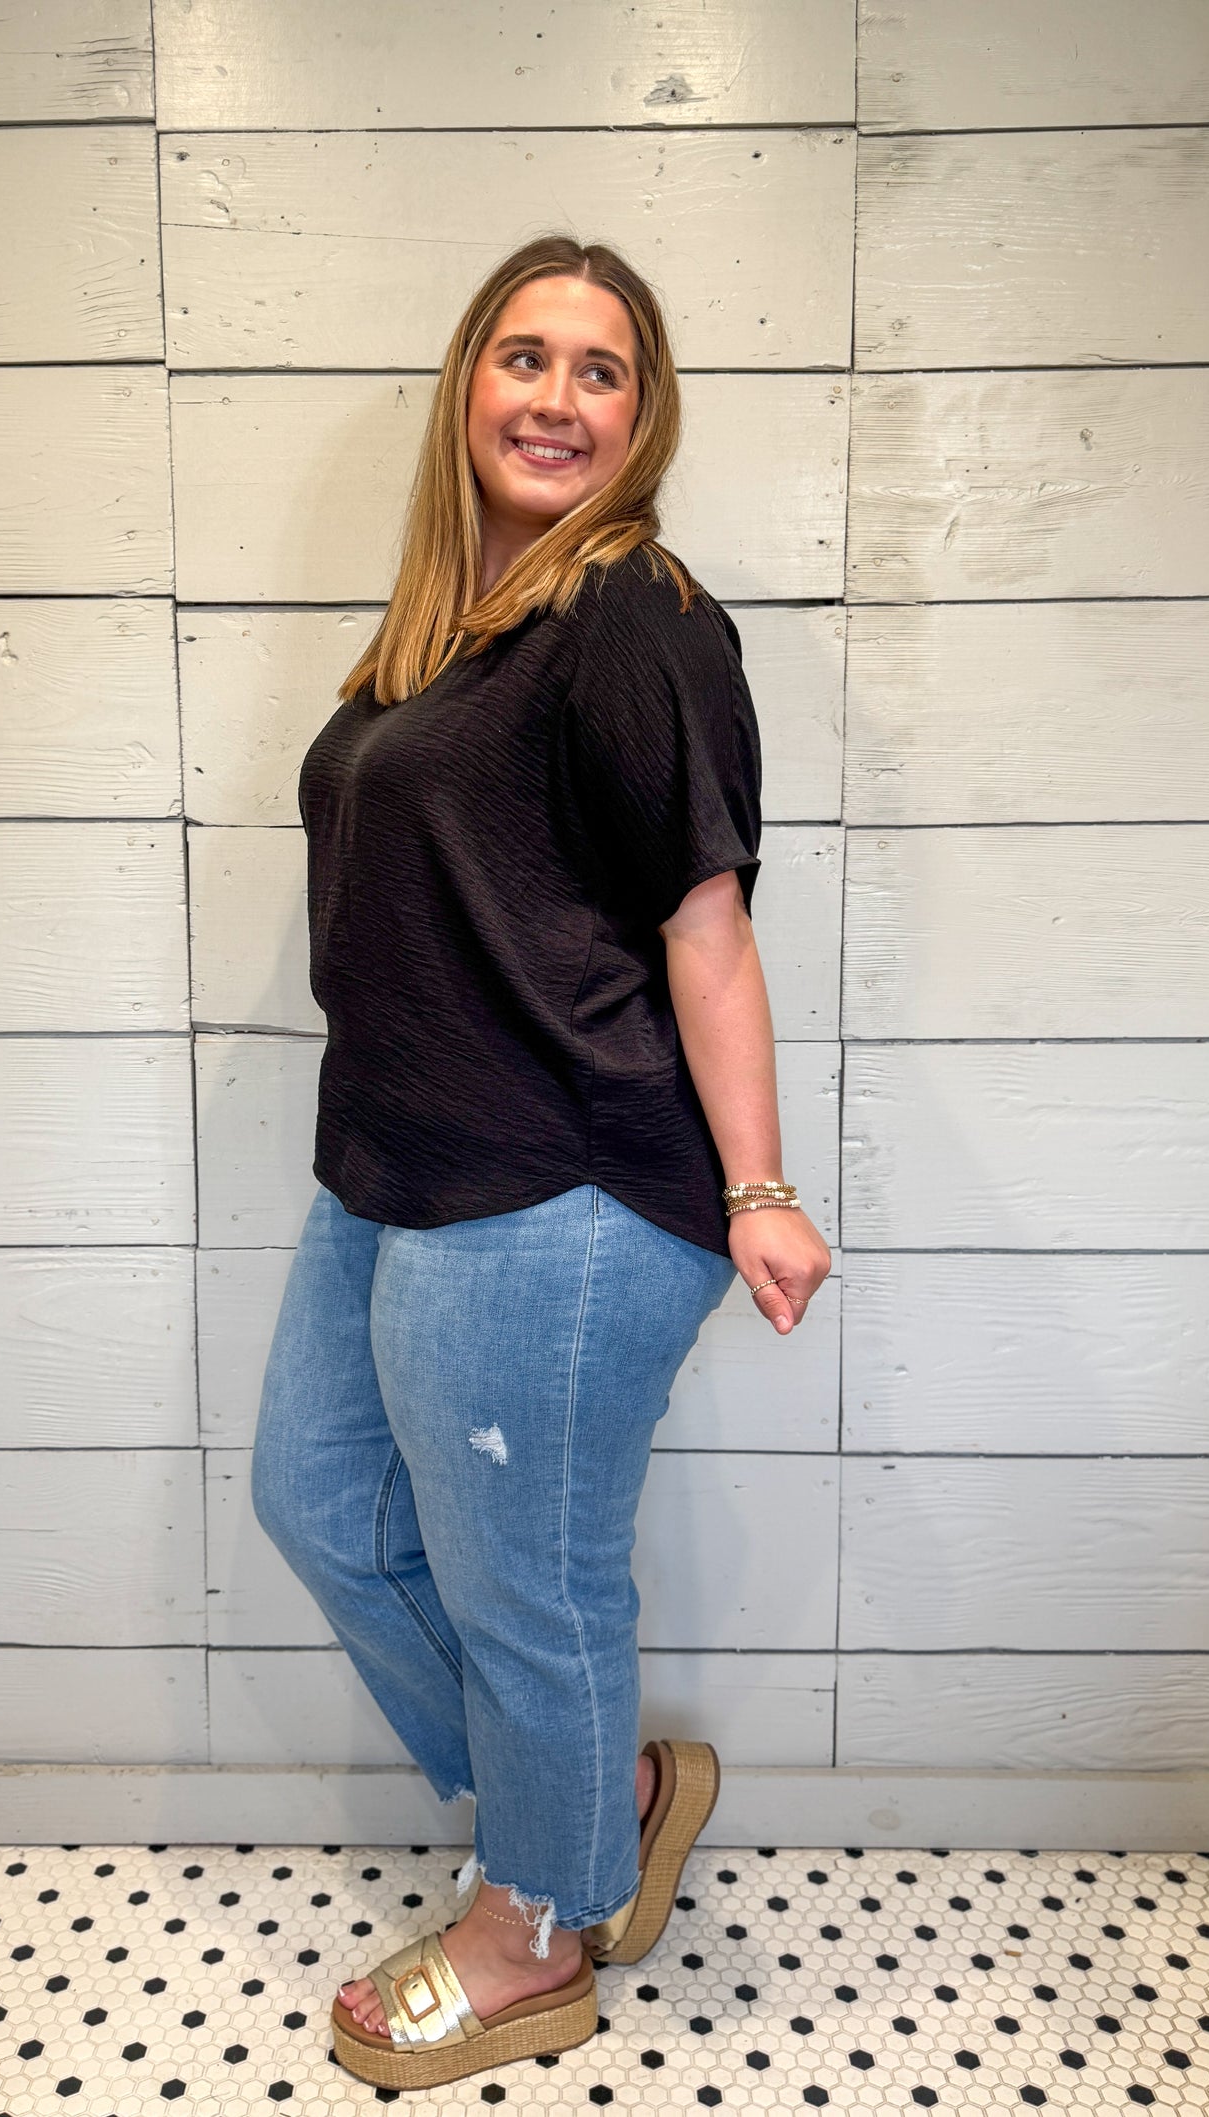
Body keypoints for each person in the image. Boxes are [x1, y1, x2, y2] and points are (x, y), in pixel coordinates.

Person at [250, 233, 832, 2090]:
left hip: (560, 1188)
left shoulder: (633, 617)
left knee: (530, 1591)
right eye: (525, 357)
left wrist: (757, 1188)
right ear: (466, 385)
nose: (557, 398)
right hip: (395, 1167)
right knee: (320, 1505)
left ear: (642, 416)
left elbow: (706, 927)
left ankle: (534, 1934)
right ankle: (607, 1799)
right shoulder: (443, 633)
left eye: (601, 370)